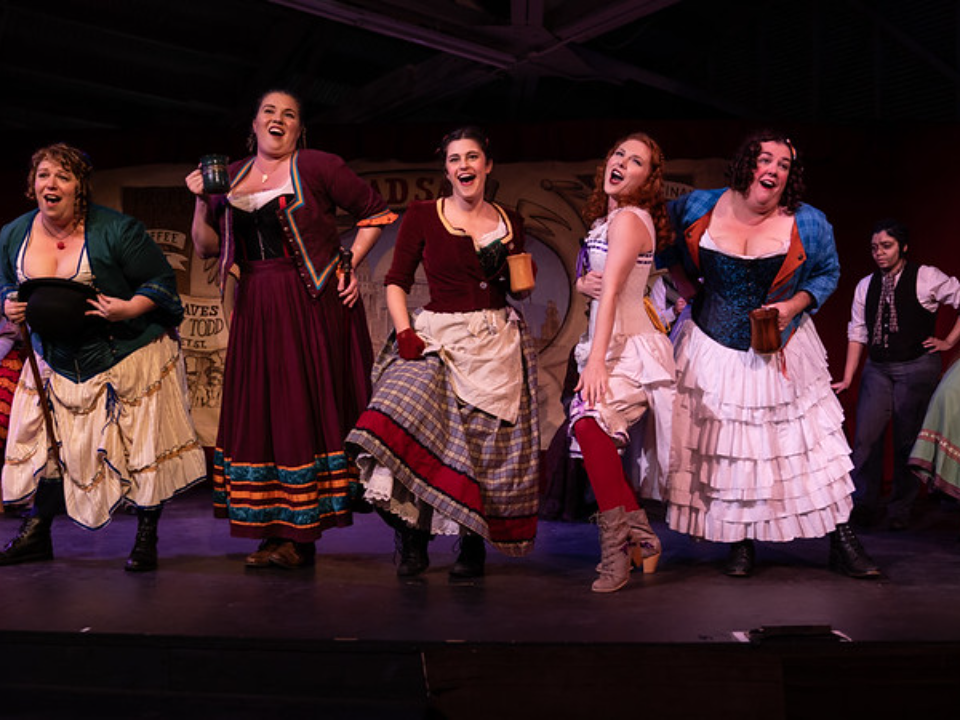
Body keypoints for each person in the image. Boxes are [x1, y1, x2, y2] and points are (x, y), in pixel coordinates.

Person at [186, 89, 396, 569]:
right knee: (263, 413)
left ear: (299, 129)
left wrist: (348, 262)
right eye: (269, 111)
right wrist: (200, 201)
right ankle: (273, 530)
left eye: (289, 114)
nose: (278, 119)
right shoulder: (229, 175)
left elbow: (375, 212)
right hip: (256, 302)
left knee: (298, 410)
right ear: (254, 123)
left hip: (309, 303)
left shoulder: (318, 166)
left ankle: (301, 533)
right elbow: (205, 247)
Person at [663, 130, 880, 579]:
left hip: (784, 345)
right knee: (732, 449)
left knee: (809, 448)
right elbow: (663, 243)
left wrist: (794, 305)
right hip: (713, 345)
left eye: (784, 165)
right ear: (747, 164)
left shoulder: (809, 222)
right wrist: (686, 289)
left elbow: (827, 274)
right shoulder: (699, 206)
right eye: (766, 159)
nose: (774, 170)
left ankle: (841, 540)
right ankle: (739, 542)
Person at [0, 142, 206, 571]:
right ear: (31, 184)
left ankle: (146, 536)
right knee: (48, 447)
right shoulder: (14, 234)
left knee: (140, 446)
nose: (51, 184)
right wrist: (7, 302)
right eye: (43, 175)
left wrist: (128, 308)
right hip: (54, 359)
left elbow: (160, 281)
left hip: (125, 354)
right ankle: (37, 532)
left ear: (80, 187)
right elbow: (5, 283)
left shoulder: (117, 230)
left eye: (63, 176)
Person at [345, 126, 540, 579]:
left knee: (480, 448)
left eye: (472, 157)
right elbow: (396, 281)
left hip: (494, 342)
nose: (464, 166)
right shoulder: (423, 214)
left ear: (487, 165)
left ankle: (471, 546)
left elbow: (519, 291)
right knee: (401, 424)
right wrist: (405, 332)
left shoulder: (510, 221)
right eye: (455, 159)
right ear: (447, 170)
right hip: (438, 336)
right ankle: (412, 539)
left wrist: (519, 277)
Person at [568, 132, 676, 592]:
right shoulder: (606, 219)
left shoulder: (630, 219)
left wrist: (596, 363)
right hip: (608, 341)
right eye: (619, 154)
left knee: (590, 426)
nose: (622, 163)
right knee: (588, 429)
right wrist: (581, 284)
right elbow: (597, 280)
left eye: (635, 162)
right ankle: (641, 537)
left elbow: (613, 291)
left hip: (630, 346)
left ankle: (617, 548)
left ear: (647, 180)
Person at [832, 219, 960, 530]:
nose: (879, 253)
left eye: (886, 246)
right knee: (866, 440)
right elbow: (857, 332)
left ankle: (900, 508)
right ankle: (864, 503)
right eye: (874, 248)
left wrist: (949, 341)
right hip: (878, 368)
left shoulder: (926, 276)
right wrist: (848, 377)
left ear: (903, 247)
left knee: (906, 440)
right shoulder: (866, 285)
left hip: (916, 366)